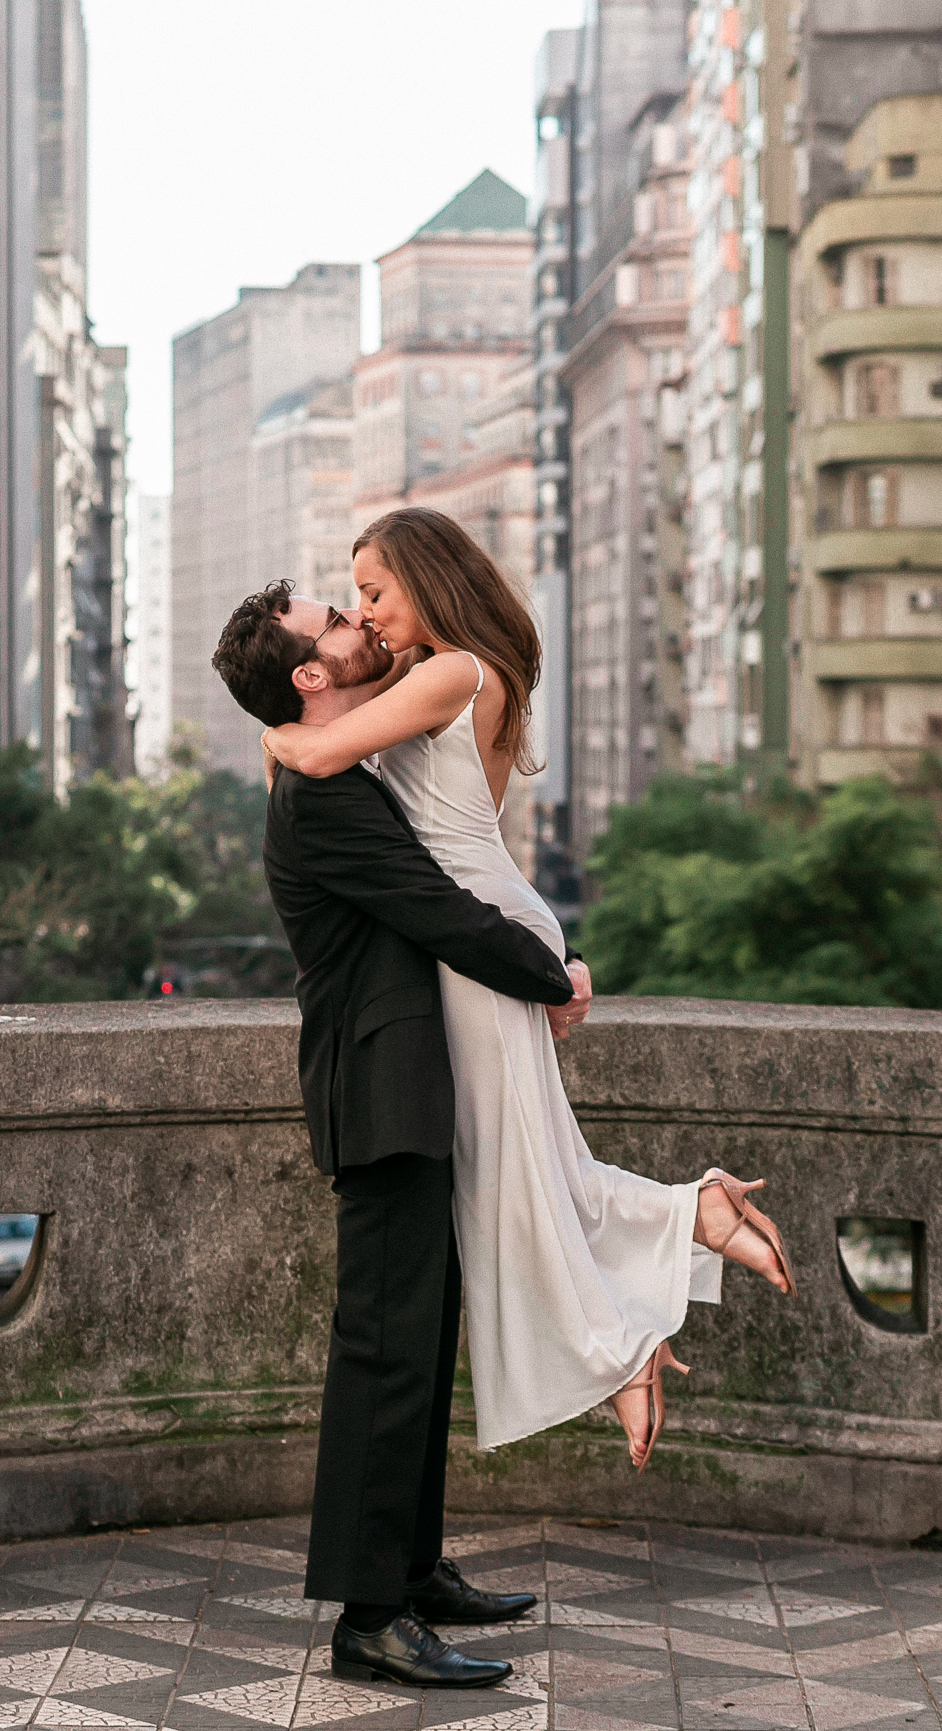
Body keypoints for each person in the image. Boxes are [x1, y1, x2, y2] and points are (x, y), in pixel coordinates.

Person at [259, 508, 797, 1477]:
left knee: (509, 1177)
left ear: (428, 580)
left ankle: (627, 1324)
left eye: (375, 591)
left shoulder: (451, 672)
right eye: (358, 601)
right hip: (485, 924)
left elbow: (321, 753)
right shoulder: (454, 670)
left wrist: (275, 737)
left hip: (477, 930)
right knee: (520, 1161)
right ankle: (686, 1227)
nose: (370, 615)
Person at [212, 583, 590, 1691]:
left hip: (409, 1086)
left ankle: (412, 1569)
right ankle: (369, 1619)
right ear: (308, 676)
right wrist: (552, 974)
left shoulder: (335, 765)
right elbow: (436, 908)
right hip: (380, 1094)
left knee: (418, 1342)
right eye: (335, 621)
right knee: (384, 1351)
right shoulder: (322, 798)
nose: (360, 624)